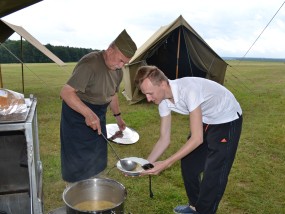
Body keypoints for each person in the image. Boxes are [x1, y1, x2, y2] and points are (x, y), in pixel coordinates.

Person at [135, 65, 243, 214]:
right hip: (206, 119)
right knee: (189, 164)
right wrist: (143, 166)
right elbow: (164, 139)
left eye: (150, 93)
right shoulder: (163, 101)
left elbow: (197, 138)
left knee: (213, 174)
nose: (148, 99)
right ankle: (194, 206)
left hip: (226, 118)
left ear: (163, 84)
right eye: (145, 94)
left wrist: (166, 163)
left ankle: (204, 211)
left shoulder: (188, 90)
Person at [60, 29, 137, 183]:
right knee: (77, 160)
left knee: (97, 157)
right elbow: (66, 92)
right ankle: (75, 190)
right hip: (77, 115)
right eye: (121, 60)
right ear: (110, 50)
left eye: (125, 63)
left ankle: (94, 185)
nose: (121, 66)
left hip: (98, 114)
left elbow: (112, 94)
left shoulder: (118, 71)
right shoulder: (90, 63)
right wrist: (87, 114)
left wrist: (118, 118)